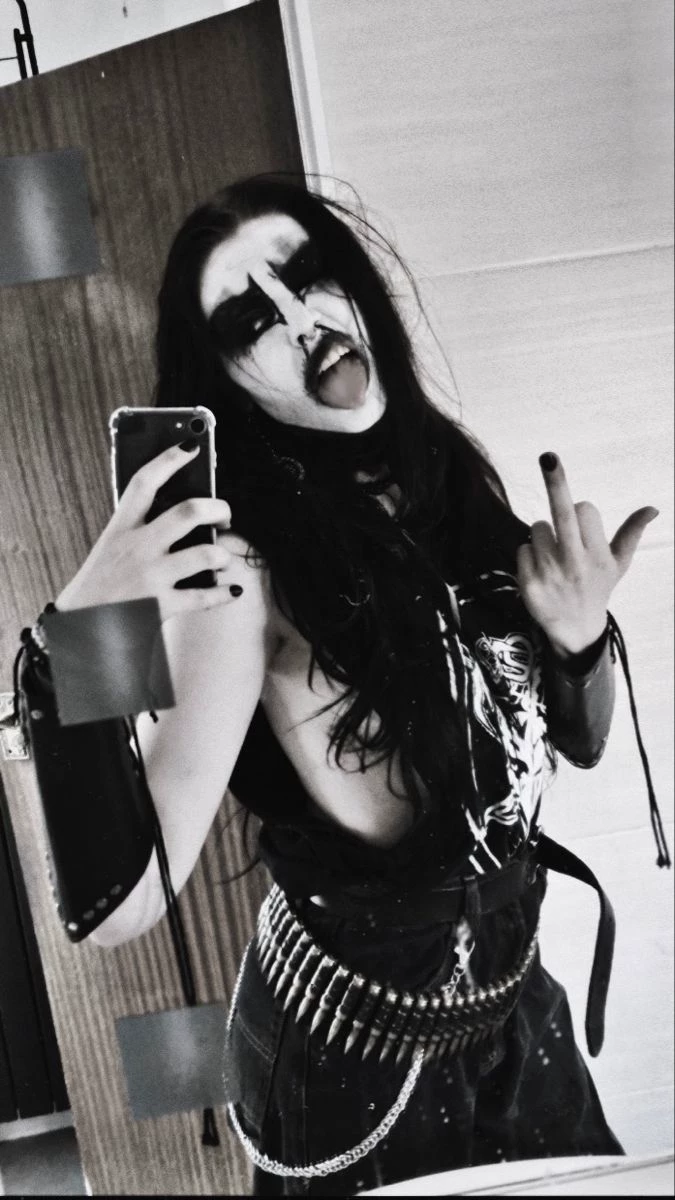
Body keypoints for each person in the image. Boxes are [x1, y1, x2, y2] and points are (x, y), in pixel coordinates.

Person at [17, 174, 669, 1196]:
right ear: (230, 385)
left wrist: (579, 638)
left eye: (309, 273)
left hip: (515, 1009)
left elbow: (568, 748)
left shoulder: (446, 477)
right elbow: (121, 908)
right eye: (249, 320)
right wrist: (77, 640)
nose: (301, 318)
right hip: (356, 1059)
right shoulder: (242, 578)